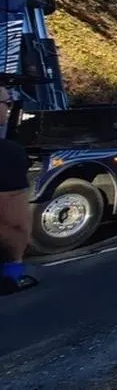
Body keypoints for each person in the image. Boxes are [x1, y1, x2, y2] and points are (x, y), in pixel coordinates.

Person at [0, 86, 37, 295]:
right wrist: (15, 264)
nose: (8, 109)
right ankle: (14, 277)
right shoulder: (8, 153)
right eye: (7, 103)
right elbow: (15, 224)